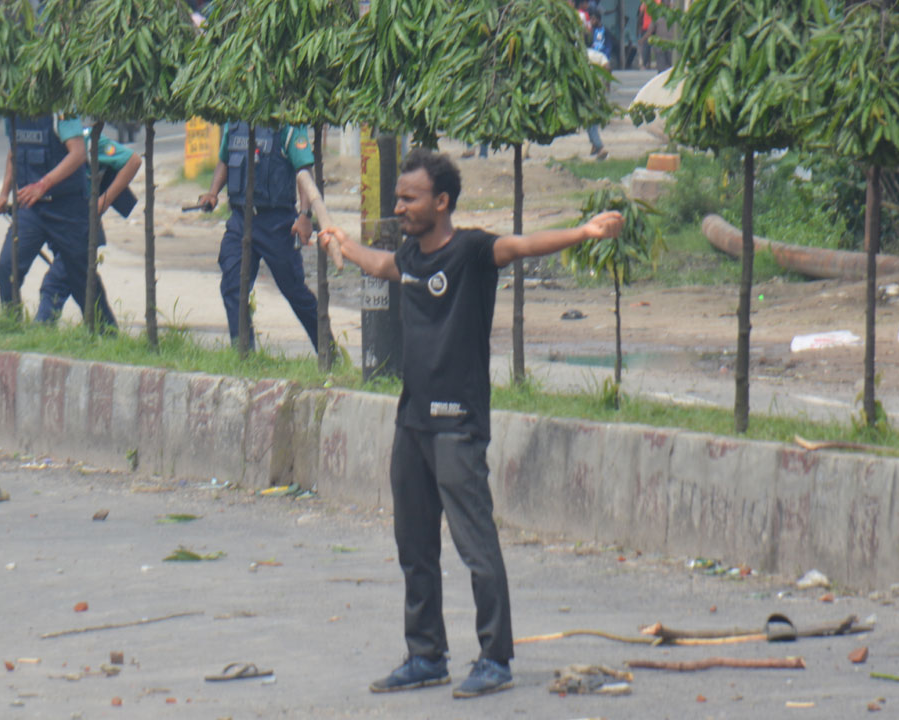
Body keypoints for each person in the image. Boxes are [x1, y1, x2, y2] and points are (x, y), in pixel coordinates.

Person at [317, 150, 622, 700]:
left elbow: (523, 245)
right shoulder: (409, 256)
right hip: (411, 423)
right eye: (398, 198)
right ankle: (425, 655)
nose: (399, 206)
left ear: (442, 201)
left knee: (476, 545)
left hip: (458, 424)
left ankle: (495, 658)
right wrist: (340, 241)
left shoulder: (474, 252)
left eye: (409, 198)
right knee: (414, 545)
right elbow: (378, 264)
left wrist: (584, 231)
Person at [197, 122, 320, 351]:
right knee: (233, 286)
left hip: (277, 223)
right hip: (240, 219)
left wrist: (305, 215)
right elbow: (225, 160)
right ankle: (244, 354)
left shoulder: (287, 127)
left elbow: (303, 171)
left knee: (294, 290)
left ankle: (327, 351)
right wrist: (213, 193)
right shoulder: (234, 125)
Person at [0, 113, 92, 321]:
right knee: (7, 267)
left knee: (81, 278)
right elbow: (14, 153)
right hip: (31, 208)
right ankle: (13, 326)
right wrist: (3, 195)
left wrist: (43, 184)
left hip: (67, 206)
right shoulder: (13, 111)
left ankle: (103, 332)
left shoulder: (59, 110)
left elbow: (78, 153)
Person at [37, 132, 142, 324]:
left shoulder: (88, 141)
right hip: (55, 225)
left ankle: (40, 330)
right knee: (87, 285)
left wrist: (103, 202)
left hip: (80, 228)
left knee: (54, 284)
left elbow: (132, 160)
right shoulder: (41, 142)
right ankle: (107, 333)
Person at [584, 6, 612, 160]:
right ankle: (596, 146)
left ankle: (598, 146)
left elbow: (607, 63)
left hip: (590, 90)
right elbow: (607, 66)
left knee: (590, 117)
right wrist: (607, 84)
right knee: (590, 117)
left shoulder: (588, 54)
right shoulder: (594, 56)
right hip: (593, 89)